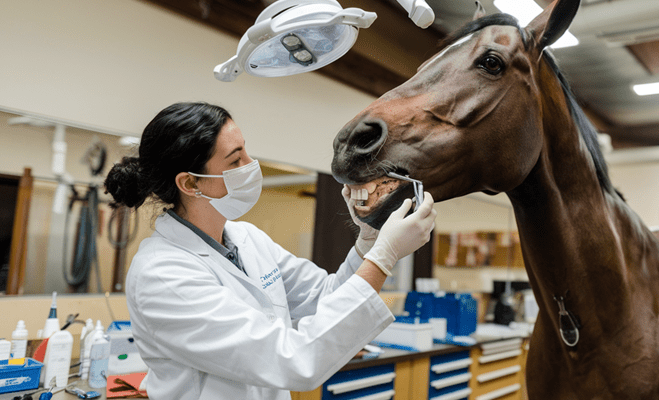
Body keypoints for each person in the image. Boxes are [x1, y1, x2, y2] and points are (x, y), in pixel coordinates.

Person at [104, 102, 436, 400]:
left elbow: (326, 296)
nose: (251, 165)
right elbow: (293, 359)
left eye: (245, 151)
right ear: (191, 183)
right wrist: (384, 257)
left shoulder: (247, 239)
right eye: (236, 160)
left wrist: (368, 240)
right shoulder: (162, 274)